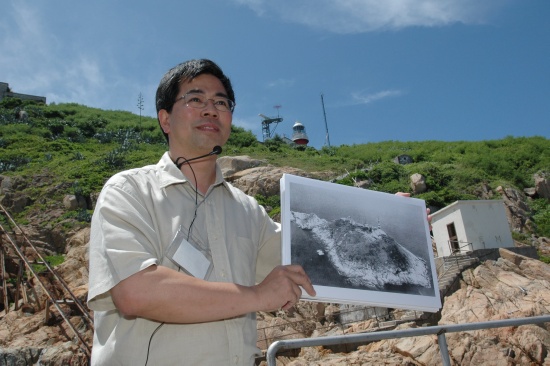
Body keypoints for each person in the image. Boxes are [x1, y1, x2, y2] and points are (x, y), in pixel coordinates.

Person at [87, 59, 316, 365]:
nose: (211, 109)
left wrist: (388, 218)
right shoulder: (128, 191)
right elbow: (136, 292)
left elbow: (313, 261)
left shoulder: (249, 211)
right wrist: (258, 296)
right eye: (195, 99)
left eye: (221, 102)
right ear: (165, 119)